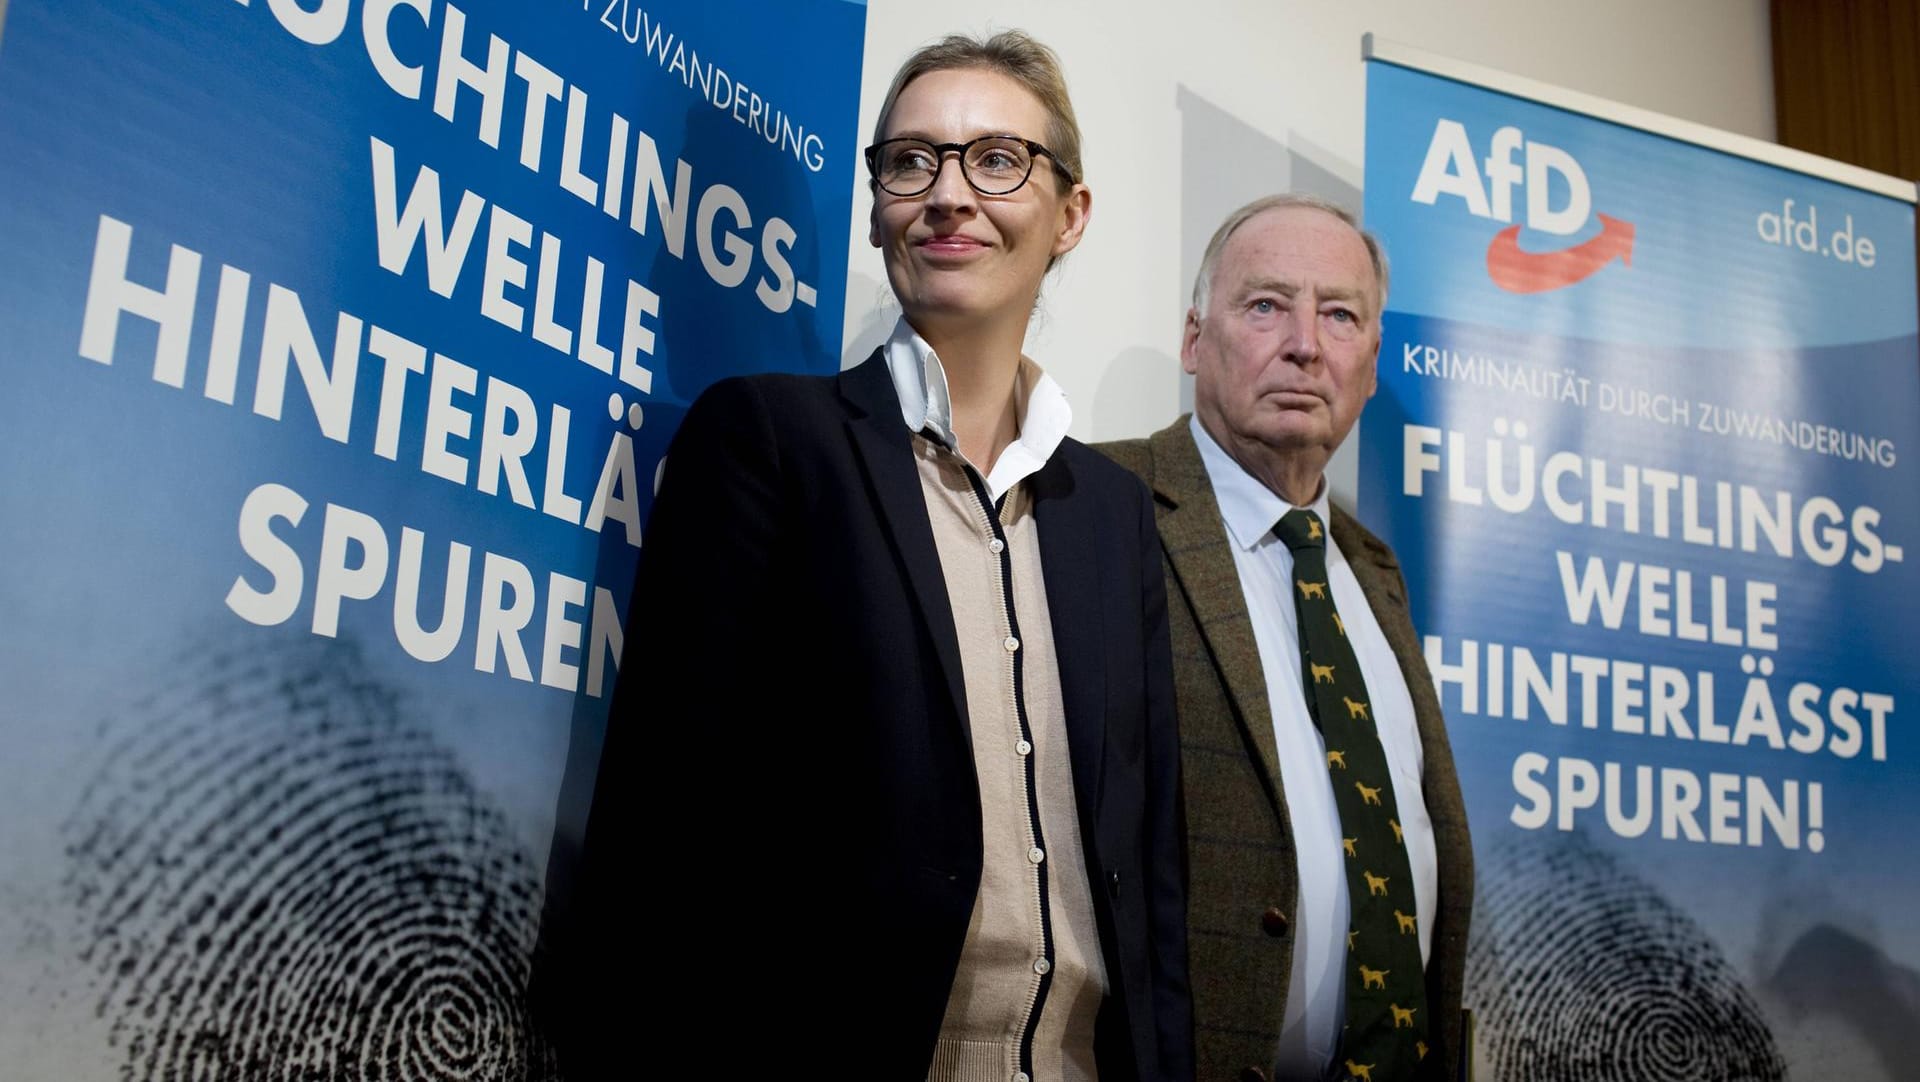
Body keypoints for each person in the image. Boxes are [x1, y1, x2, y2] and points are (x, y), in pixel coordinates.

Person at [568, 31, 1191, 1082]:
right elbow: (662, 845)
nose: (948, 195)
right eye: (910, 162)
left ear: (1069, 214)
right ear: (875, 210)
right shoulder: (769, 441)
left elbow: (1155, 859)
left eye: (997, 160)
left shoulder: (1113, 512)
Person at [1099, 196, 1472, 1082]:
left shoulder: (1374, 570)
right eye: (1266, 305)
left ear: (1372, 363)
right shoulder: (1098, 502)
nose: (1305, 343)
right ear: (1195, 340)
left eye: (1340, 315)